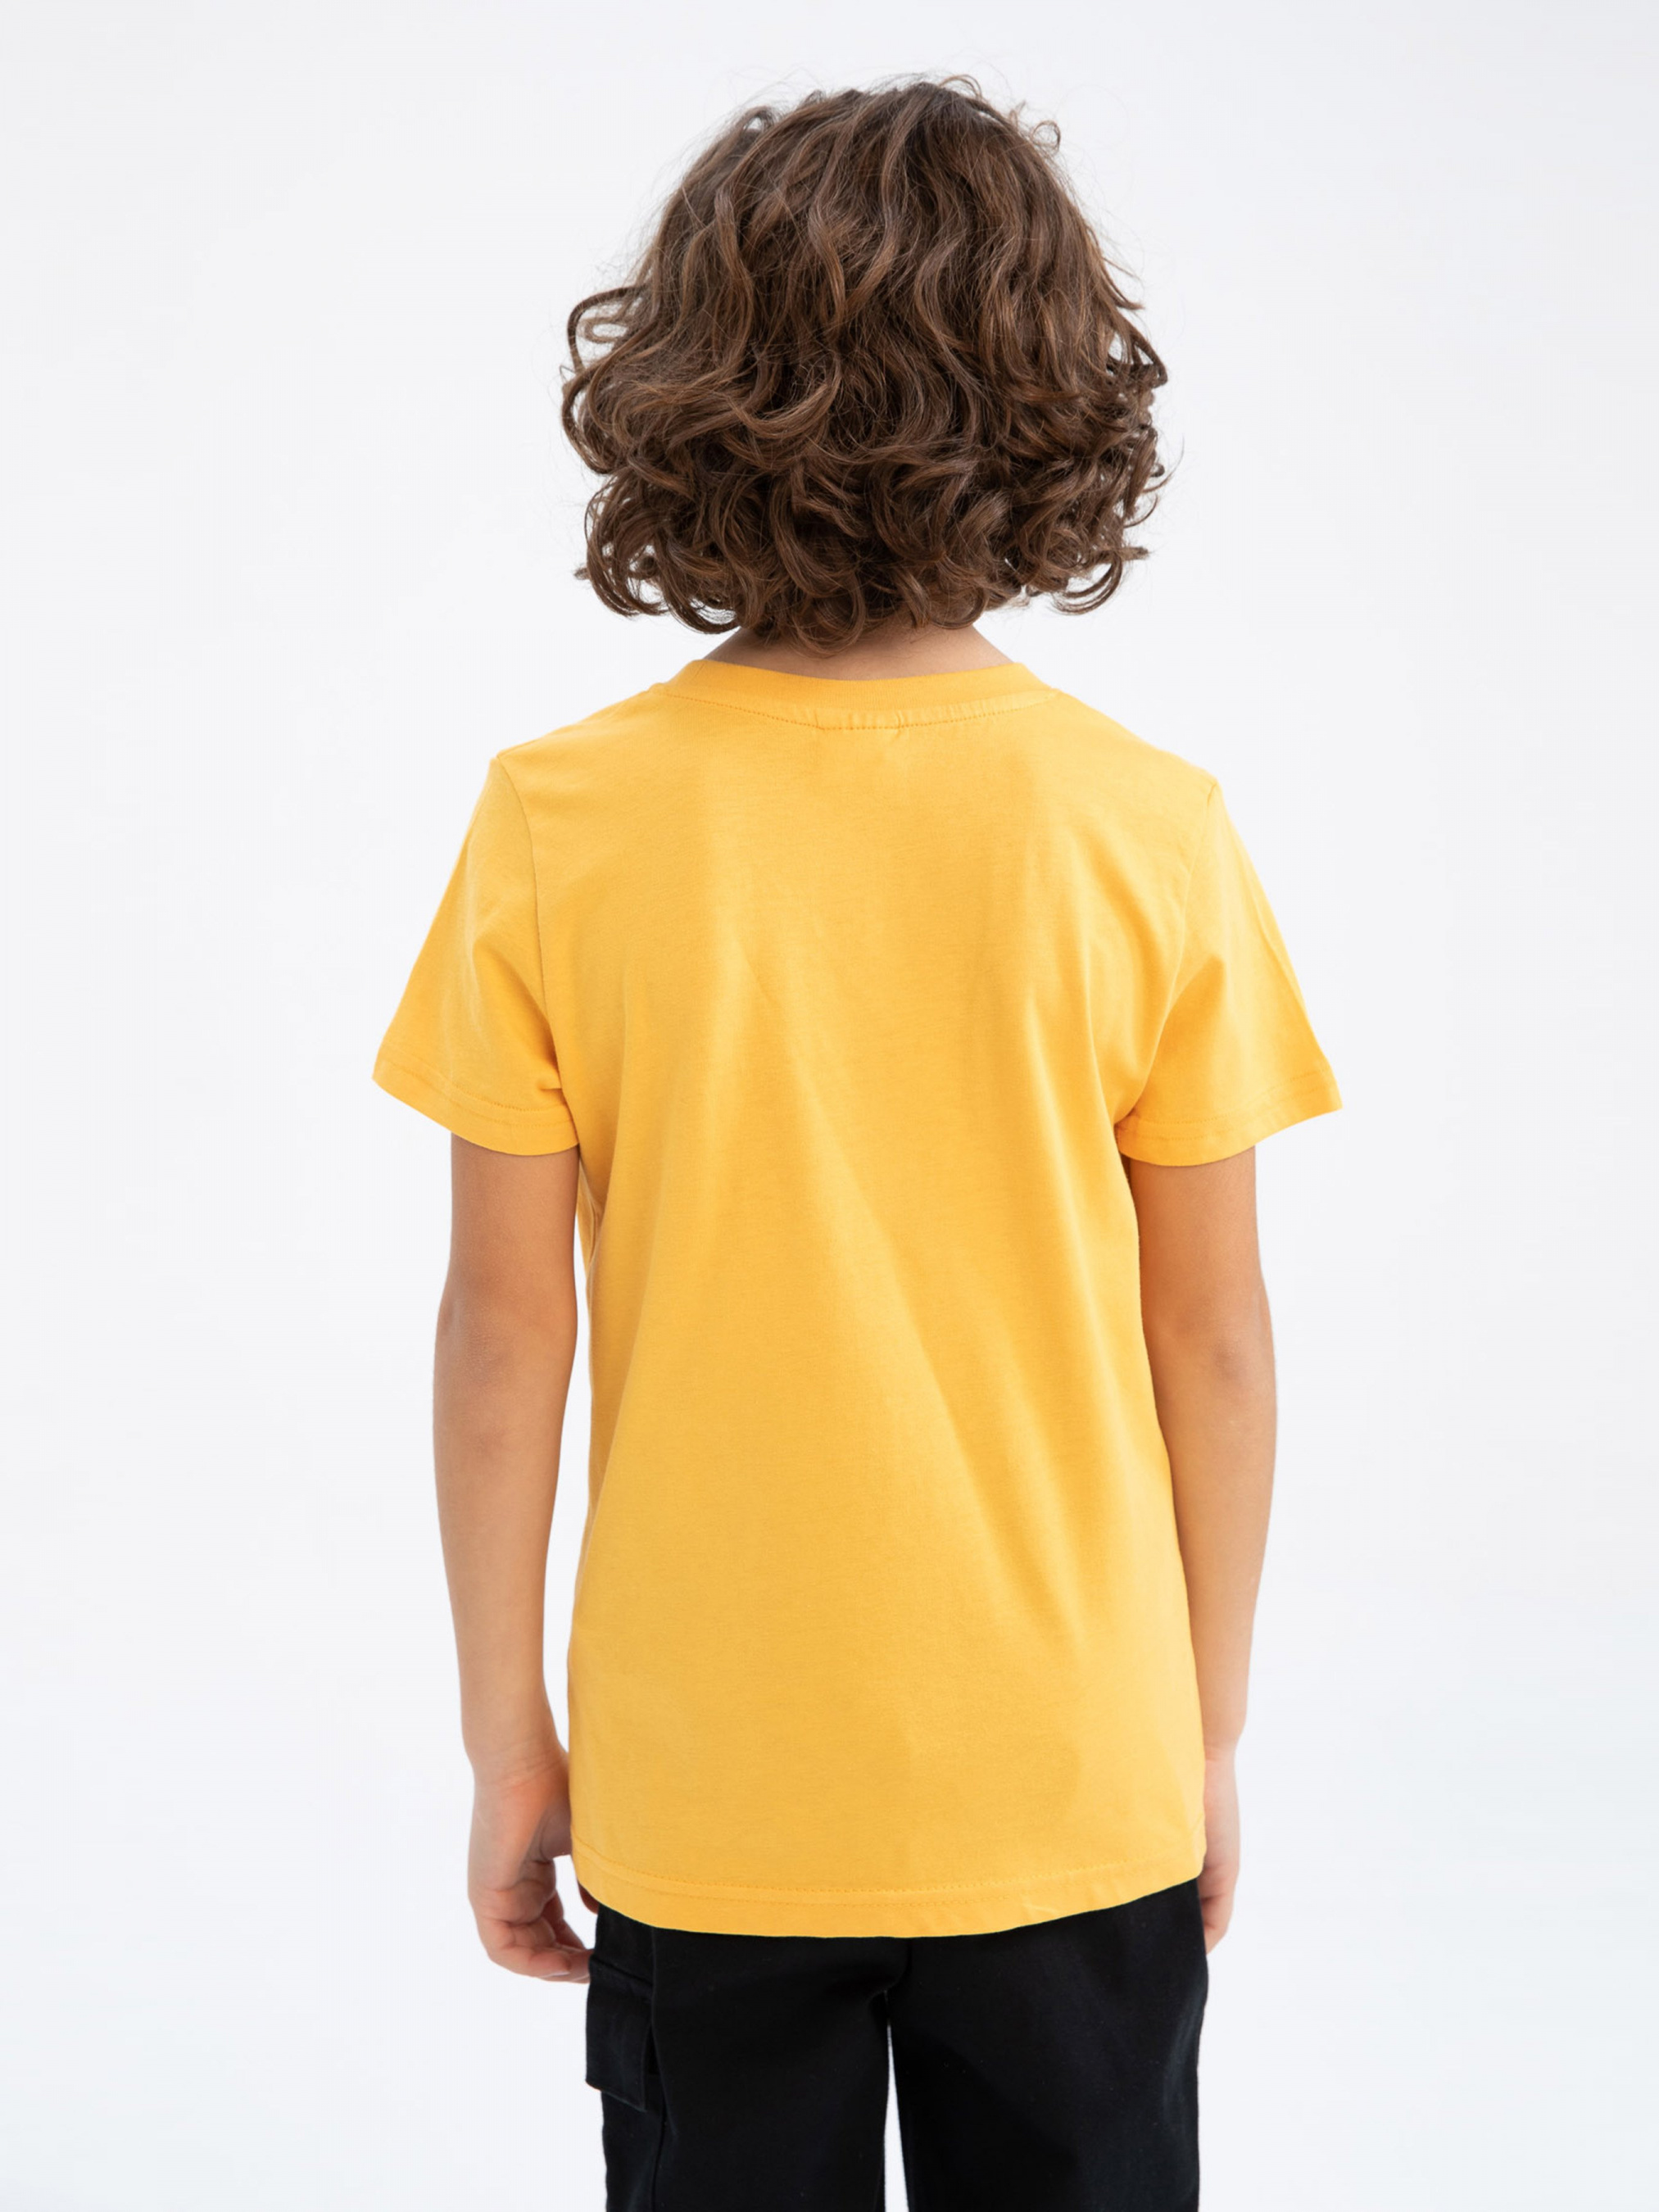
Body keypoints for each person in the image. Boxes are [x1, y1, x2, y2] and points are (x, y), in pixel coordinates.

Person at [374, 78, 1339, 2212]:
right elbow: (1215, 1340)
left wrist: (506, 1739)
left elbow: (503, 1336)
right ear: (1051, 400)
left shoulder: (559, 821)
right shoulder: (1143, 828)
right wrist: (1202, 1730)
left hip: (707, 1787)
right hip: (1068, 1766)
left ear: (683, 394)